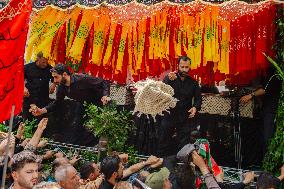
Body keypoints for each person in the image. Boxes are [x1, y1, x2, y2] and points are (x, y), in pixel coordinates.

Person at [158, 56, 202, 156]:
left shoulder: (193, 83)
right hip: (169, 114)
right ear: (178, 66)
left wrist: (195, 107)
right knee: (164, 140)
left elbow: (198, 99)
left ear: (190, 67)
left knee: (183, 143)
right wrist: (168, 80)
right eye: (182, 67)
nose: (184, 69)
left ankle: (181, 165)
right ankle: (160, 162)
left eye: (186, 67)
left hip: (184, 116)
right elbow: (161, 91)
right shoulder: (171, 77)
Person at [30, 63, 110, 116]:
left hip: (102, 104)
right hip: (86, 106)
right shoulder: (61, 87)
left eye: (56, 77)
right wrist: (41, 111)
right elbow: (57, 103)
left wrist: (105, 95)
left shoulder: (81, 78)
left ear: (64, 74)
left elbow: (104, 82)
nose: (54, 81)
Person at [239, 66, 282, 154]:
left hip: (271, 110)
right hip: (267, 109)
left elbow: (264, 90)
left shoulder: (274, 75)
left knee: (267, 137)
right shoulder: (268, 75)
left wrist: (250, 95)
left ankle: (268, 160)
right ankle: (264, 159)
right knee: (263, 136)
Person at [23, 52, 56, 121]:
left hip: (43, 99)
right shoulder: (27, 67)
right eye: (43, 62)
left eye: (46, 62)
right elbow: (18, 79)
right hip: (29, 98)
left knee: (41, 121)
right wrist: (23, 87)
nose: (45, 64)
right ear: (38, 58)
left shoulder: (50, 69)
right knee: (27, 120)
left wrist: (53, 85)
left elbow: (55, 78)